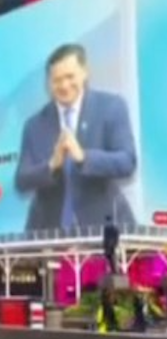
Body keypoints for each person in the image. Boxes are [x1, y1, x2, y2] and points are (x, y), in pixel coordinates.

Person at [15, 44, 136, 233]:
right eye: (56, 80)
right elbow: (22, 180)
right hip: (50, 236)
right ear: (48, 82)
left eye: (70, 77)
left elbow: (127, 161)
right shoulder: (34, 124)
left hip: (105, 234)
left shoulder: (111, 107)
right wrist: (52, 165)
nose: (64, 85)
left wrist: (84, 157)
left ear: (84, 72)